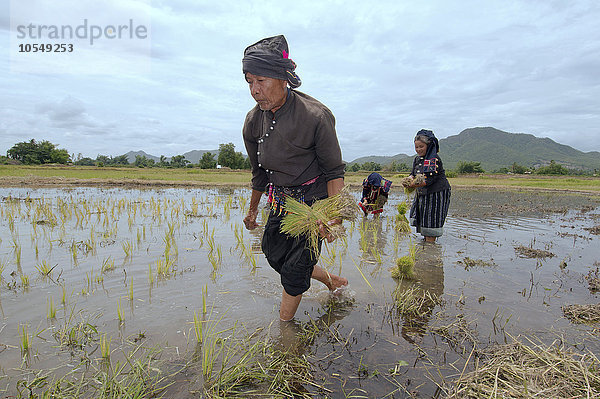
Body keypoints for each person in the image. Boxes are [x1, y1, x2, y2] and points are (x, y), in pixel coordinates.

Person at [241, 35, 348, 322]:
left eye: (260, 80)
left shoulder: (316, 116)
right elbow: (259, 174)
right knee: (273, 252)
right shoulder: (253, 122)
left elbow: (334, 172)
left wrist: (333, 217)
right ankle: (330, 280)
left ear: (283, 78)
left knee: (294, 269)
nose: (254, 90)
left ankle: (284, 331)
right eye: (249, 81)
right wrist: (252, 210)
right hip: (280, 200)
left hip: (313, 205)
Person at [402, 129, 451, 242]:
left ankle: (430, 248)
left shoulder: (434, 160)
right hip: (423, 193)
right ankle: (426, 247)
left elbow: (429, 180)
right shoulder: (417, 159)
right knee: (424, 220)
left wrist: (412, 185)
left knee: (431, 222)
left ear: (428, 145)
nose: (418, 149)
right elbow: (413, 174)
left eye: (421, 147)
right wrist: (408, 180)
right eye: (416, 147)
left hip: (436, 193)